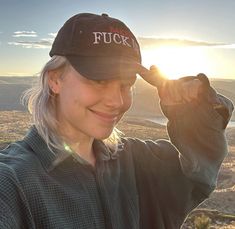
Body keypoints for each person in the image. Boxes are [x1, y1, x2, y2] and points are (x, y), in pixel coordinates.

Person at [0, 12, 233, 229]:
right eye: (98, 80)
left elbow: (201, 168)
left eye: (126, 84)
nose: (116, 101)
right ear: (55, 79)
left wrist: (192, 109)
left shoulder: (140, 163)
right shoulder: (14, 181)